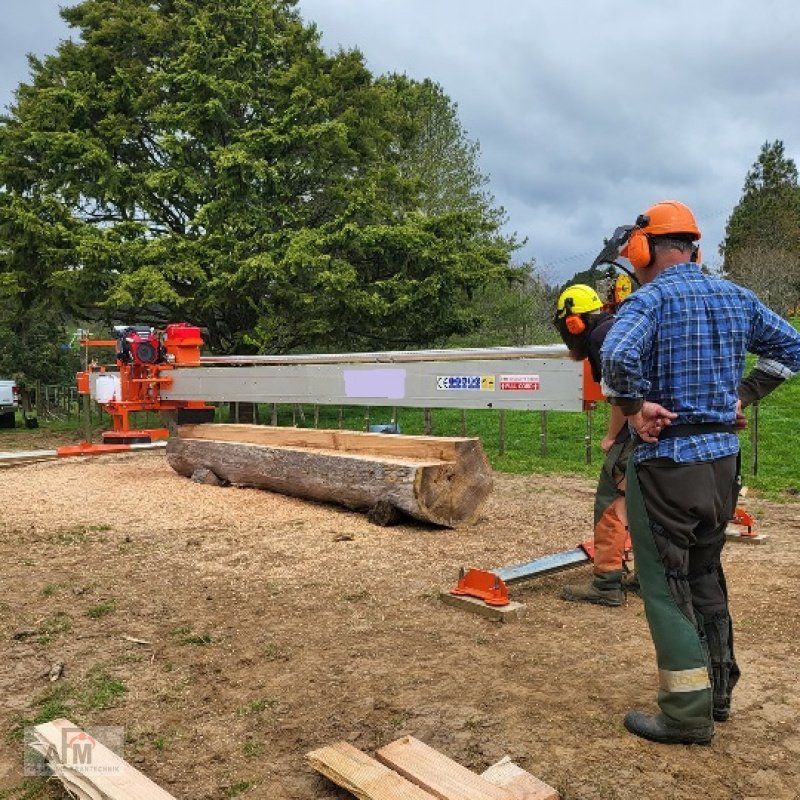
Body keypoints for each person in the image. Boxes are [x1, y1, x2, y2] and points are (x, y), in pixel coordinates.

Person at [599, 199, 800, 745]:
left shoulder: (650, 301)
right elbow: (792, 348)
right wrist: (745, 392)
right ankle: (718, 692)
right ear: (694, 247)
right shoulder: (738, 297)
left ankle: (686, 714)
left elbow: (613, 360)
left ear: (642, 250)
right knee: (706, 575)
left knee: (665, 587)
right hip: (721, 466)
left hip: (667, 465)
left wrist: (637, 406)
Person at [552, 283, 635, 607]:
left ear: (573, 323)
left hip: (638, 423)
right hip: (664, 425)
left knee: (612, 500)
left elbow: (620, 394)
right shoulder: (618, 327)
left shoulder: (601, 338)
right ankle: (650, 576)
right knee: (647, 504)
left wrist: (612, 437)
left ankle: (607, 583)